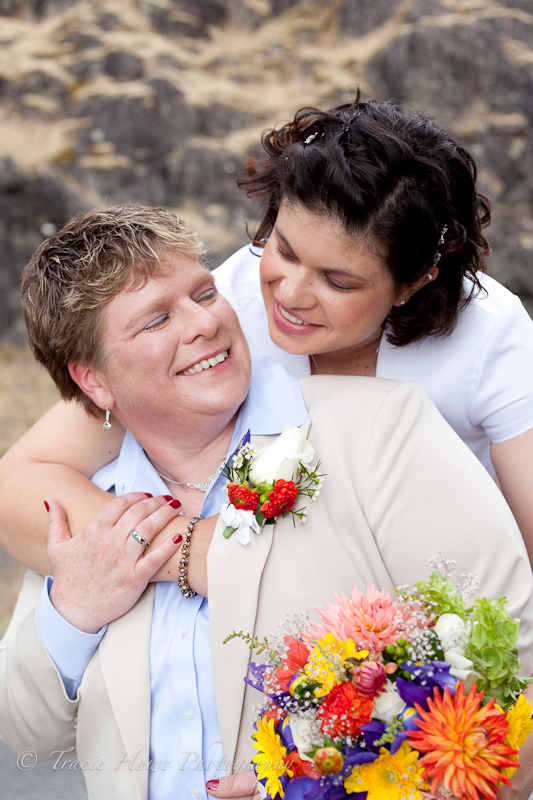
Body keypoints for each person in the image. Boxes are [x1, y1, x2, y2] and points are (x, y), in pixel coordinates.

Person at [1, 205, 533, 800]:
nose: (203, 323)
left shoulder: (379, 430)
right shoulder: (87, 508)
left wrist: (341, 784)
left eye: (205, 293)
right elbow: (28, 735)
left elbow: (512, 652)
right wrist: (73, 610)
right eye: (156, 321)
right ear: (93, 381)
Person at [1, 96, 533, 572]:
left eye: (338, 280)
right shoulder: (218, 308)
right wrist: (190, 555)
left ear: (411, 284)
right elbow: (20, 482)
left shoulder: (491, 340)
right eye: (284, 250)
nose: (291, 294)